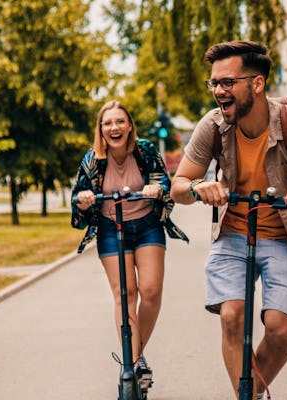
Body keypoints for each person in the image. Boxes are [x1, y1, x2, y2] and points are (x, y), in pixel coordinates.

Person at [171, 41, 287, 398]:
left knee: (281, 332)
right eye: (214, 83)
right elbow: (179, 186)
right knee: (232, 316)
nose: (219, 91)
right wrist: (201, 185)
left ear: (257, 84)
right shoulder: (213, 126)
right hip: (233, 234)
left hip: (284, 237)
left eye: (227, 82)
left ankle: (250, 392)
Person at [71, 100, 188, 387]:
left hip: (147, 226)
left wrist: (155, 188)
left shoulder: (145, 150)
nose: (114, 127)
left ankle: (135, 355)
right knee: (125, 294)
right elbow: (77, 207)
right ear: (101, 129)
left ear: (130, 126)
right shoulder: (92, 161)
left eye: (120, 121)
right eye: (108, 122)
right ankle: (133, 365)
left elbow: (165, 185)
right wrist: (85, 202)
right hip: (112, 228)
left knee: (150, 291)